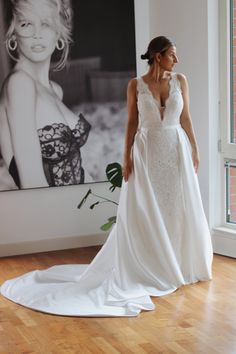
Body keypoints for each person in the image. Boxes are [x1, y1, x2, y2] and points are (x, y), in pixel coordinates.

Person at [0, 36, 213, 317]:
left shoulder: (180, 81)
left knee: (177, 207)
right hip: (147, 153)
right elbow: (131, 125)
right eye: (172, 54)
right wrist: (125, 159)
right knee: (150, 210)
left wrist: (194, 149)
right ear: (158, 56)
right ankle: (154, 264)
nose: (177, 60)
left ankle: (179, 263)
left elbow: (186, 119)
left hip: (176, 152)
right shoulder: (135, 85)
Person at [0, 0, 91, 190]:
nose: (37, 34)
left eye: (46, 23)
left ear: (58, 33)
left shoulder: (55, 89)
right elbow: (32, 184)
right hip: (56, 212)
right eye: (26, 24)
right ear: (13, 32)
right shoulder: (19, 84)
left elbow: (77, 169)